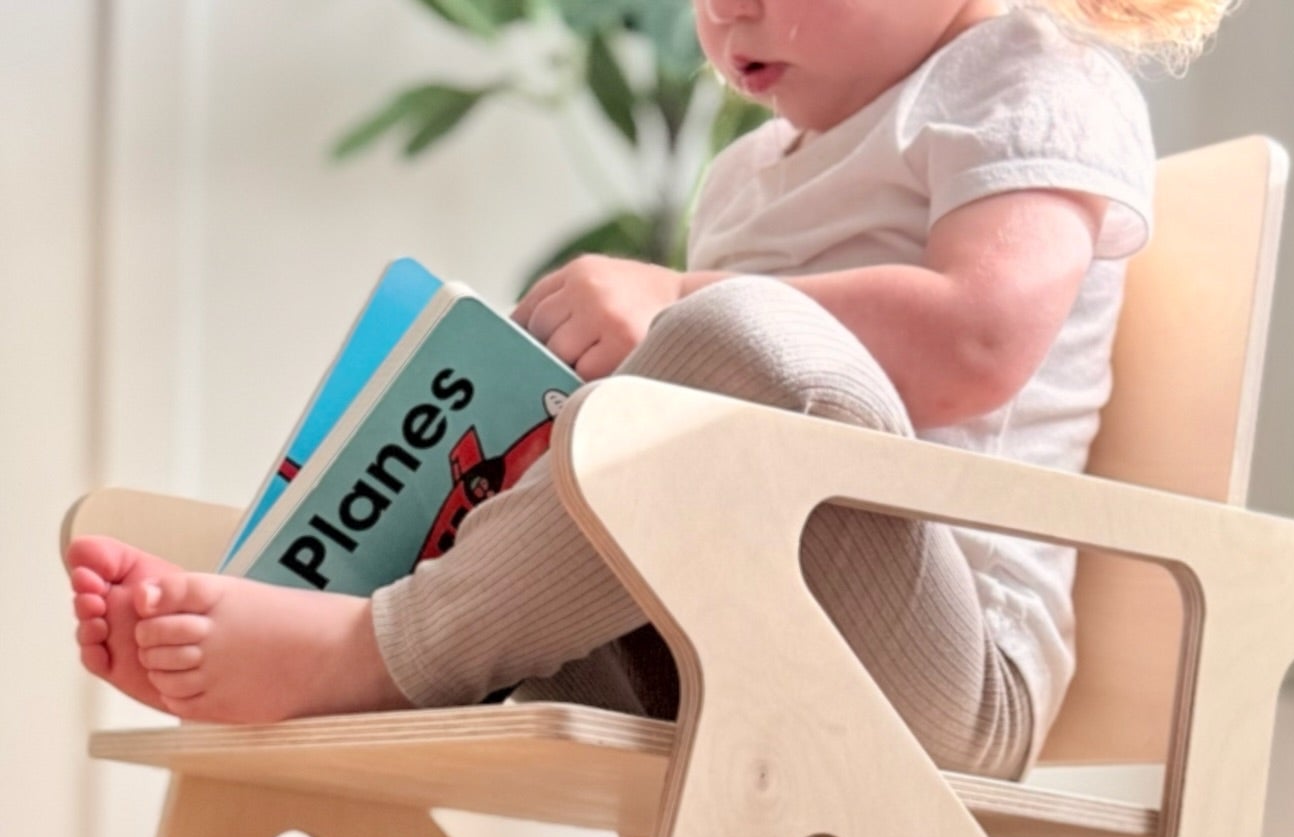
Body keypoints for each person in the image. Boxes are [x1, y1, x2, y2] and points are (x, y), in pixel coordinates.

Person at [65, 0, 1230, 780]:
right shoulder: (739, 179)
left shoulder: (1023, 76)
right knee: (586, 423)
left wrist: (678, 297)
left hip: (947, 671)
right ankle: (333, 604)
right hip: (709, 648)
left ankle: (371, 651)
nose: (726, 11)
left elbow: (981, 337)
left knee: (732, 336)